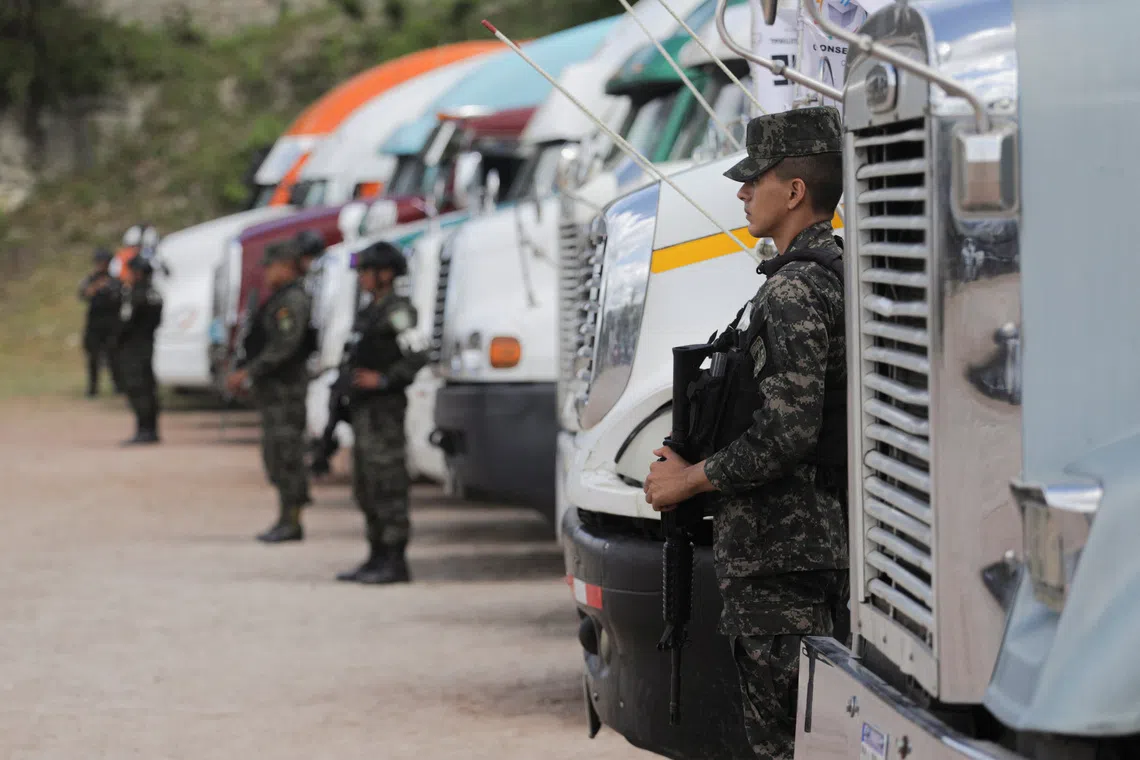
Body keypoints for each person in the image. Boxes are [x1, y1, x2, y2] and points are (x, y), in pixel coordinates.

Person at [642, 107, 849, 760]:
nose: (740, 192)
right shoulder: (820, 274)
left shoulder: (794, 292)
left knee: (782, 742)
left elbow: (786, 434)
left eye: (752, 179)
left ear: (793, 192)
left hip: (782, 554)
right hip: (791, 549)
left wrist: (687, 481)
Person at [335, 241, 427, 584]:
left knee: (388, 481)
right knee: (366, 483)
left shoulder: (398, 311)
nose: (361, 278)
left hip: (384, 410)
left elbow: (418, 353)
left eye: (366, 272)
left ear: (385, 274)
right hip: (363, 410)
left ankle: (394, 558)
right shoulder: (369, 311)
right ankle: (376, 554)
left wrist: (386, 379)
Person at [228, 241, 314, 543]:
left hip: (286, 392)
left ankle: (292, 520)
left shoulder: (291, 301)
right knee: (276, 455)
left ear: (286, 266)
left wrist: (250, 371)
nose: (267, 272)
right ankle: (285, 517)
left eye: (271, 266)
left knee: (287, 454)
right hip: (275, 392)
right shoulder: (279, 299)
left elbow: (284, 347)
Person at [115, 255, 164, 444]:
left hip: (133, 347)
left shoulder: (135, 295)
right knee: (148, 387)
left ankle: (145, 430)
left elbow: (126, 322)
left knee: (138, 387)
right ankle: (150, 428)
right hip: (147, 344)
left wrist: (117, 339)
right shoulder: (154, 294)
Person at [77, 247, 123, 397]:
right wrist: (97, 286)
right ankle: (93, 388)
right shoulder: (90, 279)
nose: (101, 265)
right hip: (95, 323)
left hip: (112, 322)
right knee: (93, 358)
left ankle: (118, 386)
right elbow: (83, 294)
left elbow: (121, 295)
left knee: (114, 357)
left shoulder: (116, 279)